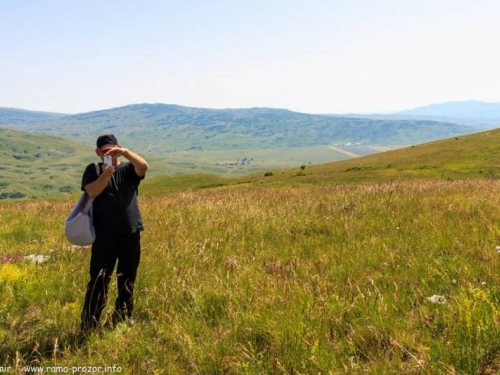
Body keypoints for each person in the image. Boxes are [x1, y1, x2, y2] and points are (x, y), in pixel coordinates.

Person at [80, 134, 149, 331]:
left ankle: (123, 316)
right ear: (98, 153)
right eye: (104, 152)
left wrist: (126, 153)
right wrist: (105, 176)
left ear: (118, 148)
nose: (108, 155)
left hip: (131, 232)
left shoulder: (129, 169)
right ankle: (90, 323)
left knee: (128, 278)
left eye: (112, 151)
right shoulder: (92, 170)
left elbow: (144, 167)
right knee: (99, 279)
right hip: (104, 235)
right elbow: (91, 192)